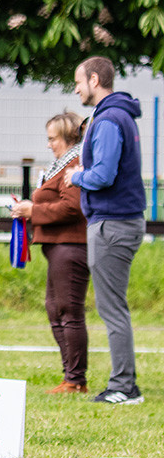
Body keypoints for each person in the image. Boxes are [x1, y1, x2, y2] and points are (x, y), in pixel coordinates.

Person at [63, 57, 146, 405]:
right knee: (113, 306)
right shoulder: (117, 115)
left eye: (79, 82)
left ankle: (124, 386)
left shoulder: (110, 118)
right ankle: (124, 383)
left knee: (112, 308)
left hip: (112, 223)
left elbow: (104, 175)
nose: (77, 89)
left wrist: (76, 176)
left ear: (95, 80)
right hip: (117, 221)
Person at [11, 112, 89, 393]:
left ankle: (75, 379)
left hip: (71, 246)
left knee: (68, 311)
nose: (49, 144)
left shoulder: (75, 165)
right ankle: (70, 375)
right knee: (55, 309)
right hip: (57, 247)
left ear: (67, 137)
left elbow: (72, 207)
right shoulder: (60, 166)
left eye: (52, 138)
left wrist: (34, 210)